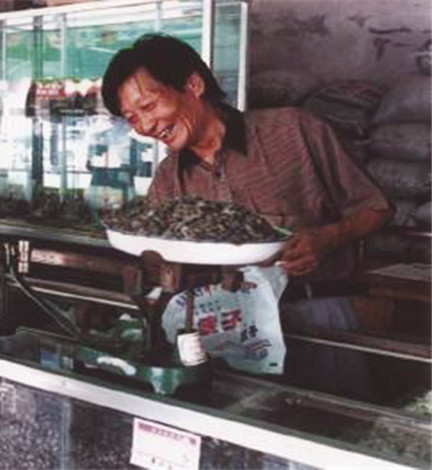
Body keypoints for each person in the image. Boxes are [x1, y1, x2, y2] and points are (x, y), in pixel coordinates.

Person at [101, 34, 393, 399]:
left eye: (148, 106)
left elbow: (375, 208)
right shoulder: (167, 179)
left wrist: (327, 238)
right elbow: (156, 268)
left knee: (333, 424)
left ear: (193, 85)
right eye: (132, 118)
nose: (145, 125)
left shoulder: (294, 131)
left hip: (317, 316)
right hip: (227, 330)